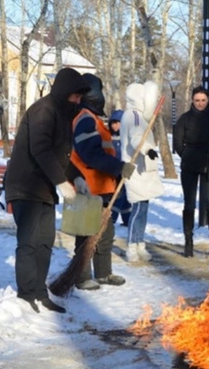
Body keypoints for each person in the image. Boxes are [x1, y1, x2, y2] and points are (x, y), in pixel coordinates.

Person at [4, 67, 91, 313]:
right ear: (65, 92)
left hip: (44, 189)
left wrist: (76, 178)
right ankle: (26, 294)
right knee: (29, 242)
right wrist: (62, 183)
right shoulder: (44, 110)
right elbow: (40, 149)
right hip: (26, 186)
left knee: (45, 242)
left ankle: (40, 292)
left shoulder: (63, 116)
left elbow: (61, 155)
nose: (78, 101)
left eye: (80, 97)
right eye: (75, 96)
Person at [70, 73, 135, 290]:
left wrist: (116, 174)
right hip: (87, 187)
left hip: (103, 188)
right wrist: (118, 167)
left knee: (105, 234)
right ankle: (81, 276)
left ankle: (104, 273)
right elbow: (90, 154)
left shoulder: (95, 119)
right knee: (86, 235)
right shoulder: (85, 119)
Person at [173, 86, 209, 258]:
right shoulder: (184, 119)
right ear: (192, 101)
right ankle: (188, 242)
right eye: (197, 100)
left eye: (203, 100)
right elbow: (178, 143)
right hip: (189, 165)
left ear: (208, 100)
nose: (200, 103)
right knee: (189, 204)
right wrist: (188, 156)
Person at [120, 81, 164, 263]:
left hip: (141, 170)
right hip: (136, 169)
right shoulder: (134, 116)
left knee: (143, 209)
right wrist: (148, 149)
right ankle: (132, 245)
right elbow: (136, 138)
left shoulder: (134, 115)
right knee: (138, 209)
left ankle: (140, 243)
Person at [109, 110, 132, 226]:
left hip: (124, 169)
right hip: (112, 170)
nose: (115, 126)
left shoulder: (127, 137)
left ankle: (126, 218)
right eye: (113, 123)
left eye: (118, 123)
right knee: (118, 194)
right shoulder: (108, 137)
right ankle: (112, 217)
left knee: (124, 195)